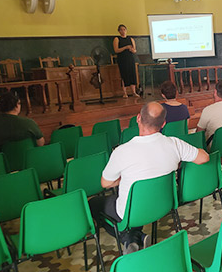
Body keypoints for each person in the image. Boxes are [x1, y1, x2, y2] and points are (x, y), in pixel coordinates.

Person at [88, 102, 209, 254]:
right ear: (163, 123)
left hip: (132, 211)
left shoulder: (122, 151)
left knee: (93, 203)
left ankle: (128, 237)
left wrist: (123, 179)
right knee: (132, 203)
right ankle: (133, 236)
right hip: (164, 205)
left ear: (138, 118)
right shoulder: (174, 144)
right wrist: (177, 161)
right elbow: (204, 158)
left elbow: (105, 183)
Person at [113, 24, 139, 98]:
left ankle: (134, 92)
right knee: (124, 75)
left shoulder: (130, 39)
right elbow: (116, 50)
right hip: (122, 59)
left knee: (132, 74)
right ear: (119, 31)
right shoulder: (117, 39)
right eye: (121, 30)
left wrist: (132, 50)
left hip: (130, 58)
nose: (123, 31)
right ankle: (125, 93)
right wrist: (125, 47)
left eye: (124, 29)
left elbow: (135, 50)